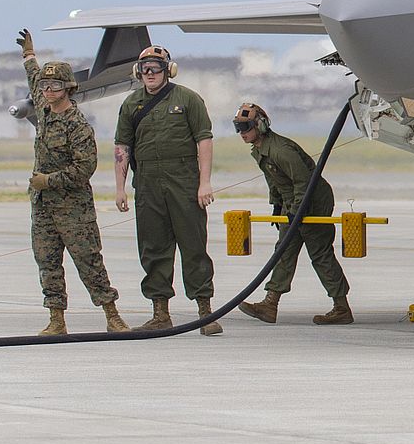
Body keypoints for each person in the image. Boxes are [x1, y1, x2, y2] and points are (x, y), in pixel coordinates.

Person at [15, 29, 129, 336]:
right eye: (46, 86)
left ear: (68, 88)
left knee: (88, 261)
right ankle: (56, 319)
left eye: (55, 86)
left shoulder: (77, 125)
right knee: (47, 262)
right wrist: (29, 56)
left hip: (73, 208)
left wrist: (47, 181)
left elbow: (84, 168)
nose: (49, 90)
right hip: (43, 208)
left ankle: (112, 315)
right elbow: (33, 79)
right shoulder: (43, 109)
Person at [113, 46, 222, 336]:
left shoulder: (187, 99)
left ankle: (205, 312)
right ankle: (160, 313)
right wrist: (120, 188)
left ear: (168, 70)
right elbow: (122, 147)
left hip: (184, 180)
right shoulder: (130, 104)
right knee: (153, 247)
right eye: (145, 68)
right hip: (147, 182)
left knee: (193, 244)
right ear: (138, 72)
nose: (150, 73)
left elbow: (204, 140)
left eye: (156, 68)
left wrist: (204, 182)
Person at [233, 103, 353, 325]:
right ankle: (270, 304)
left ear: (260, 125)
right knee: (284, 251)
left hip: (313, 201)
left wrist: (296, 211)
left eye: (246, 127)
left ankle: (341, 307)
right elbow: (275, 181)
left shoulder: (281, 151)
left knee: (320, 253)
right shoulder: (261, 149)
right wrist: (277, 205)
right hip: (294, 202)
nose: (242, 133)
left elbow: (303, 182)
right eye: (238, 128)